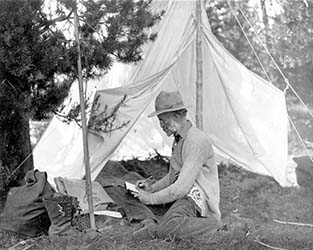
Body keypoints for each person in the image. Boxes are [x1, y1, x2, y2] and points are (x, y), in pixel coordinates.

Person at [132, 91, 253, 241]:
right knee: (148, 207)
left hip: (196, 198)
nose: (161, 125)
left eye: (163, 120)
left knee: (167, 226)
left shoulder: (196, 140)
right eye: (159, 120)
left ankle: (219, 227)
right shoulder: (179, 139)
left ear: (176, 115)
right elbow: (173, 176)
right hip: (184, 195)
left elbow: (180, 188)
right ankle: (160, 226)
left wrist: (151, 198)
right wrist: (152, 189)